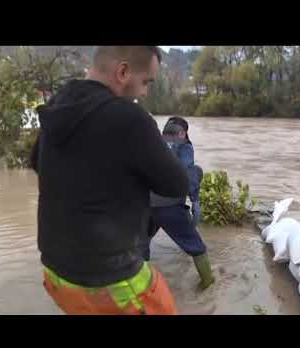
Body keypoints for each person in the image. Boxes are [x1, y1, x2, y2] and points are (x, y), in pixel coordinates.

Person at [30, 46, 190, 315]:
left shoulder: (57, 106)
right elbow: (176, 185)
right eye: (146, 82)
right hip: (112, 280)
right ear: (123, 72)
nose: (145, 92)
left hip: (57, 275)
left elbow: (37, 163)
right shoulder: (131, 118)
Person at [147, 116, 215, 290]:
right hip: (169, 206)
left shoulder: (154, 142)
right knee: (197, 247)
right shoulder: (185, 146)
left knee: (139, 248)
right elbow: (186, 173)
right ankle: (209, 287)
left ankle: (144, 292)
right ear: (183, 132)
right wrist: (195, 200)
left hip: (145, 205)